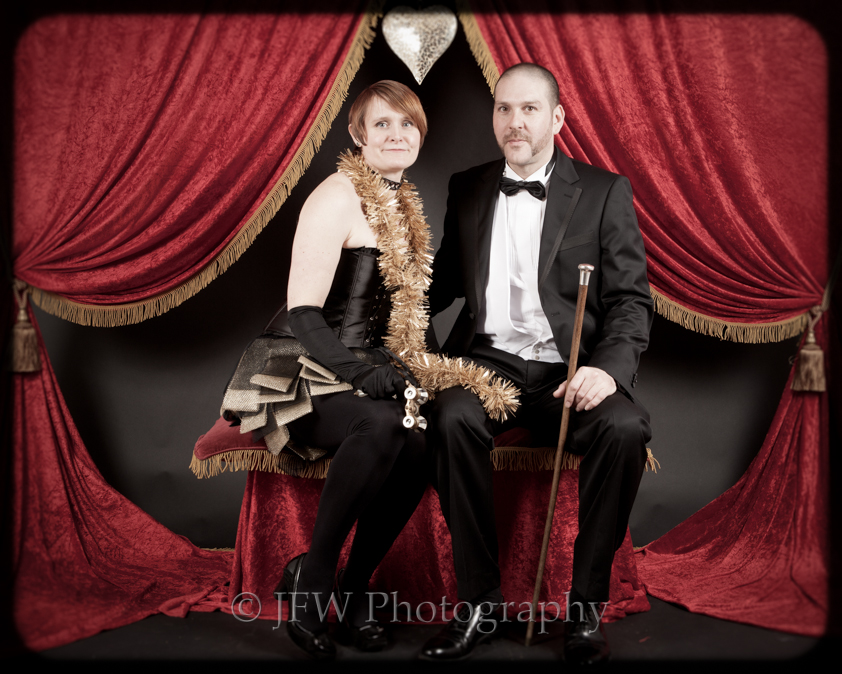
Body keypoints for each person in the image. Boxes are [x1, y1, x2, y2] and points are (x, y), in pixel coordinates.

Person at [419, 63, 653, 665]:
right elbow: (441, 283)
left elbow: (630, 301)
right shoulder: (468, 187)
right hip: (485, 365)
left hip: (567, 373)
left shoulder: (604, 191)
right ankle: (480, 603)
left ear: (557, 118)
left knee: (625, 428)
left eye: (529, 109)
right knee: (449, 417)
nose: (515, 121)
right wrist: (371, 289)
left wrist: (607, 370)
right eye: (504, 108)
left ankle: (584, 609)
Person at [221, 80, 434, 660]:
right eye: (382, 124)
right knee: (381, 423)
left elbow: (404, 315)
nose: (397, 135)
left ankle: (355, 585)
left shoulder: (404, 204)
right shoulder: (335, 197)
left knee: (422, 438)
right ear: (359, 135)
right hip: (300, 365)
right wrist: (361, 377)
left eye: (407, 124)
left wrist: (430, 373)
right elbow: (304, 313)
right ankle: (313, 580)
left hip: (371, 362)